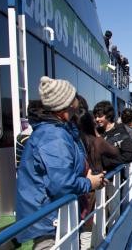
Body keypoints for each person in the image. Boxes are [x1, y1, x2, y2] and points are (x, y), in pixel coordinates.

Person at [16, 77, 106, 249]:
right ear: (65, 105)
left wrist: (87, 174)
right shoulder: (53, 136)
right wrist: (89, 182)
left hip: (54, 216)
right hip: (49, 220)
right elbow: (61, 184)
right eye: (74, 97)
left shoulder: (59, 130)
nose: (77, 101)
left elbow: (63, 169)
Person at [72, 95, 120, 250]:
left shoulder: (74, 140)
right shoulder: (96, 141)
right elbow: (115, 152)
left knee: (77, 220)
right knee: (89, 220)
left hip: (78, 185)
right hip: (93, 184)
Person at [93, 101, 132, 168]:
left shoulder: (120, 132)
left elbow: (130, 155)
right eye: (95, 116)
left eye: (100, 116)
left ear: (108, 115)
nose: (97, 119)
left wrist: (107, 162)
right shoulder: (97, 131)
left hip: (113, 175)